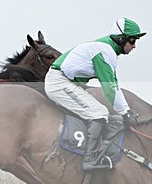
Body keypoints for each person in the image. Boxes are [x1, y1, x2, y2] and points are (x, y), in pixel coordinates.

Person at [45, 18, 144, 171]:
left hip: (67, 82)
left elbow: (114, 84)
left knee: (110, 116)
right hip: (59, 83)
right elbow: (109, 88)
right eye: (132, 40)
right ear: (121, 38)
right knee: (99, 112)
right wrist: (125, 112)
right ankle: (89, 160)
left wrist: (126, 112)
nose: (134, 46)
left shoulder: (108, 51)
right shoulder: (105, 51)